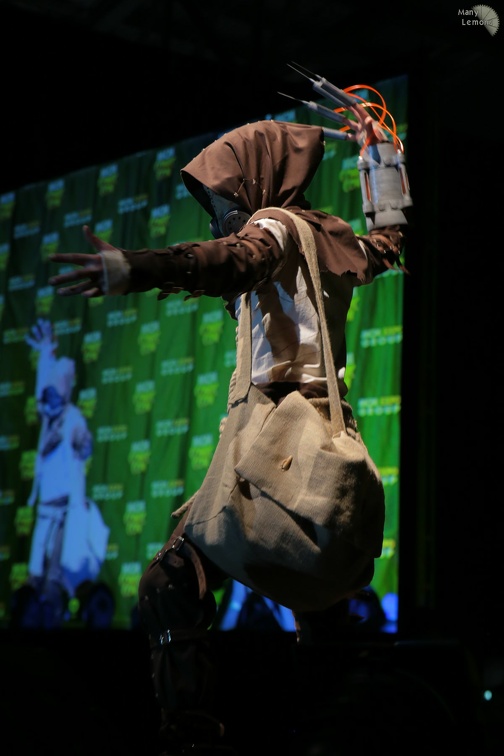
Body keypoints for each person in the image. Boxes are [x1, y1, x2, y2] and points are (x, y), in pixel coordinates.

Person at [48, 86, 410, 753]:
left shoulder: (274, 227)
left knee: (169, 582)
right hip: (314, 440)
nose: (221, 215)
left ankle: (190, 738)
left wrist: (132, 268)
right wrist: (380, 158)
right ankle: (343, 728)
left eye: (222, 198)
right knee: (310, 604)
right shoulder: (327, 236)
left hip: (275, 442)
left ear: (256, 180)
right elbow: (387, 242)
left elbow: (233, 261)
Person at [22, 318, 109, 628]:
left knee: (55, 575)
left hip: (64, 513)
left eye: (54, 396)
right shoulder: (49, 418)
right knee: (35, 572)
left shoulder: (72, 418)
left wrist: (83, 445)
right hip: (45, 510)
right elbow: (41, 390)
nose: (48, 401)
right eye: (47, 397)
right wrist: (46, 352)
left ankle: (54, 621)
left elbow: (84, 444)